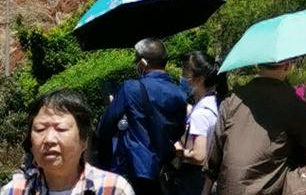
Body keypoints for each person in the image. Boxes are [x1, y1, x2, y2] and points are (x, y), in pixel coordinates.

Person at [204, 59, 306, 195]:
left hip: (228, 189)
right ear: (287, 66)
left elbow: (214, 155)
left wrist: (205, 190)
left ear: (257, 65)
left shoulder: (232, 99)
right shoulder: (292, 103)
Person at [96, 39, 189, 195]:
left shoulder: (131, 88)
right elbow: (179, 131)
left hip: (133, 168)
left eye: (136, 60)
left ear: (143, 63)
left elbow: (105, 126)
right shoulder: (180, 93)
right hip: (163, 168)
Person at [3, 90, 134, 195]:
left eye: (61, 129)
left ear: (84, 141)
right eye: (40, 129)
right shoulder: (13, 191)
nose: (49, 139)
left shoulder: (113, 189)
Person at [171, 53, 226, 195]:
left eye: (186, 73)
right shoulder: (215, 102)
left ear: (200, 79)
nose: (183, 78)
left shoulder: (200, 113)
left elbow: (198, 156)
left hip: (194, 180)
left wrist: (177, 149)